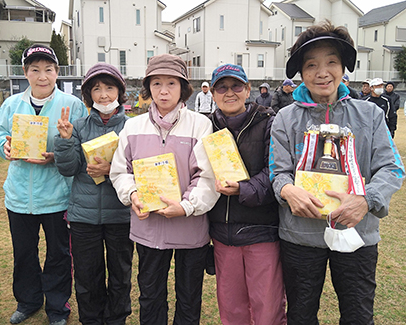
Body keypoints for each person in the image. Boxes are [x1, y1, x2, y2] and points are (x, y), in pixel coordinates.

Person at [270, 20, 405, 324]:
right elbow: (277, 172)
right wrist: (287, 190)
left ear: (344, 67)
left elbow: (392, 167)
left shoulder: (369, 114)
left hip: (357, 233)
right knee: (301, 315)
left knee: (358, 315)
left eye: (332, 61)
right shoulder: (285, 118)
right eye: (312, 64)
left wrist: (366, 200)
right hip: (300, 235)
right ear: (301, 73)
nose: (322, 72)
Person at [109, 53, 219, 325]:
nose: (164, 90)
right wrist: (132, 194)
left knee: (189, 296)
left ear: (183, 88)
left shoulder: (200, 125)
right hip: (148, 230)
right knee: (150, 295)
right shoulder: (133, 126)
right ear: (148, 88)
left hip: (189, 230)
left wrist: (185, 206)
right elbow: (121, 171)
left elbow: (207, 177)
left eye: (171, 83)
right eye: (156, 83)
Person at [0, 44, 88, 325]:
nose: (42, 75)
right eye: (35, 69)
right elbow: (0, 135)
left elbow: (81, 145)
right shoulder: (12, 105)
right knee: (24, 253)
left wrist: (58, 155)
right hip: (19, 196)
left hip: (58, 195)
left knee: (59, 255)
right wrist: (5, 148)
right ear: (25, 72)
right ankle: (28, 301)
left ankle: (58, 308)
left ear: (57, 72)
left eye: (48, 69)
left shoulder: (72, 105)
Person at [53, 63, 134, 324]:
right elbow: (68, 169)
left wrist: (112, 170)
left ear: (120, 92)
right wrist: (64, 140)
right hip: (83, 217)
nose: (103, 95)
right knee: (87, 275)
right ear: (88, 95)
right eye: (96, 89)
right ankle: (91, 319)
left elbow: (140, 173)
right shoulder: (77, 126)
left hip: (121, 215)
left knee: (120, 274)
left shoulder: (132, 128)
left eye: (109, 88)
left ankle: (116, 319)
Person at [207, 63, 286, 325]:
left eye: (236, 86)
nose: (229, 93)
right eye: (222, 87)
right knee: (231, 309)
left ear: (248, 89)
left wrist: (244, 189)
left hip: (261, 230)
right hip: (222, 234)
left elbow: (275, 170)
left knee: (267, 308)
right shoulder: (206, 127)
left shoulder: (269, 122)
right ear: (213, 93)